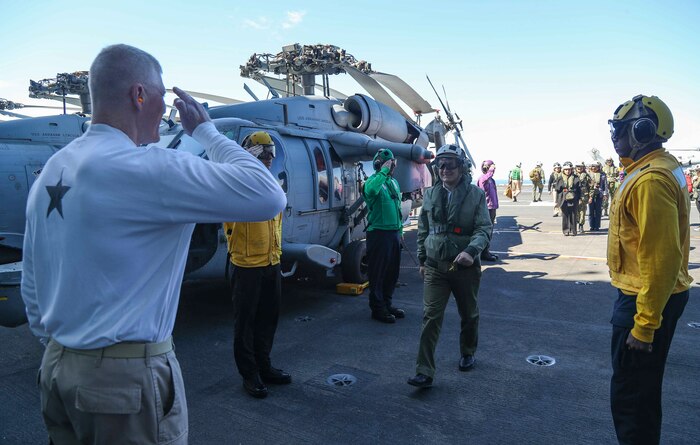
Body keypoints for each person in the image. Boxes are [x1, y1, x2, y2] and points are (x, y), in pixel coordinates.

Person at [21, 44, 286, 444]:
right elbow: (268, 195)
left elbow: (31, 282)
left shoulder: (53, 170)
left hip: (59, 368)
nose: (167, 109)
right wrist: (206, 131)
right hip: (122, 385)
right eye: (163, 96)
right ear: (139, 95)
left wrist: (71, 348)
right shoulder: (151, 167)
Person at [607, 94, 691, 445]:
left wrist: (644, 326)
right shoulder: (657, 168)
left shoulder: (650, 180)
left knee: (631, 397)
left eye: (620, 129)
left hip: (644, 298)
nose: (614, 136)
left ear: (643, 131)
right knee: (642, 393)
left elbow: (661, 259)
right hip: (654, 294)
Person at [407, 144, 491, 388]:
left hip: (464, 267)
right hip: (435, 267)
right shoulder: (431, 194)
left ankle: (467, 351)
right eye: (440, 164)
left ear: (462, 167)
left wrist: (471, 251)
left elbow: (484, 228)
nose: (444, 169)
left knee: (469, 313)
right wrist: (422, 259)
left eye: (450, 164)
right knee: (430, 317)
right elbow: (424, 229)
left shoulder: (475, 195)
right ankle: (424, 371)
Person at [224, 131, 290, 399]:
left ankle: (265, 366)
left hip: (271, 262)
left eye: (271, 153)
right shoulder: (236, 182)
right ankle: (249, 374)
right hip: (246, 265)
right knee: (245, 324)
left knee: (268, 319)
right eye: (264, 153)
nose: (269, 158)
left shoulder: (271, 184)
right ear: (250, 155)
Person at [363, 148, 404, 323]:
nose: (392, 166)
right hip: (379, 235)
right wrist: (383, 171)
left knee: (391, 273)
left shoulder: (393, 183)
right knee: (378, 274)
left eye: (392, 163)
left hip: (393, 234)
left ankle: (387, 304)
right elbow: (371, 191)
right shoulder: (372, 181)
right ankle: (378, 309)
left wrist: (400, 232)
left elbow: (398, 209)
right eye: (389, 163)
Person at [477, 160, 499, 261]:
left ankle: (486, 251)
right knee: (486, 231)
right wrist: (491, 170)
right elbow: (483, 182)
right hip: (486, 208)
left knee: (489, 231)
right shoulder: (483, 178)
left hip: (492, 208)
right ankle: (484, 253)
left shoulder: (491, 180)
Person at [554, 161, 580, 236]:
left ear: (572, 170)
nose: (567, 171)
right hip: (563, 198)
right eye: (566, 169)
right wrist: (557, 201)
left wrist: (580, 198)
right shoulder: (560, 178)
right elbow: (557, 190)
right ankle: (566, 230)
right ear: (563, 170)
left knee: (573, 214)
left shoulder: (576, 178)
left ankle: (573, 230)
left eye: (569, 169)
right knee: (565, 215)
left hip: (573, 198)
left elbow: (579, 189)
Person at [587, 162, 607, 231]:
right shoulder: (588, 174)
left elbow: (605, 184)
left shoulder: (602, 174)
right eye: (592, 166)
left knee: (598, 210)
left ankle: (597, 226)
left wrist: (605, 194)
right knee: (591, 211)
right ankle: (591, 226)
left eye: (596, 166)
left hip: (599, 194)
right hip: (591, 194)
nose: (594, 168)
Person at [575, 161, 591, 233]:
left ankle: (581, 225)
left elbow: (591, 186)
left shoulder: (586, 176)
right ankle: (576, 223)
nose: (579, 168)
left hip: (583, 196)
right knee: (575, 211)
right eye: (577, 166)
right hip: (574, 196)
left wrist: (590, 196)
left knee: (582, 212)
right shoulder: (573, 175)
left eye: (580, 166)